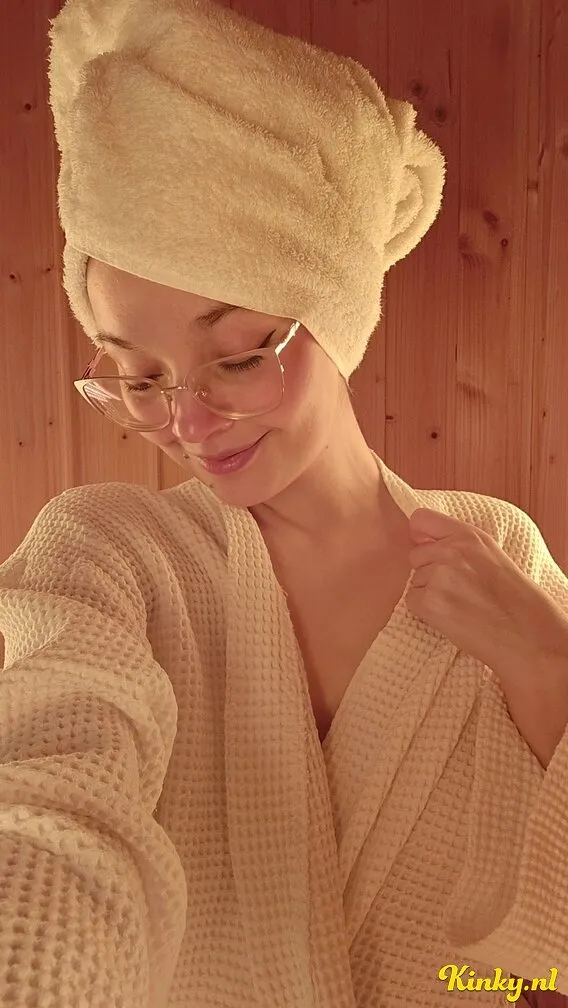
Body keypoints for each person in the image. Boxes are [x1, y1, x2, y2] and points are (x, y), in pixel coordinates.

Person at [1, 1, 568, 1006]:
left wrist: (550, 666)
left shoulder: (498, 549)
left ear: (335, 314)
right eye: (138, 376)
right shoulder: (106, 552)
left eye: (235, 357)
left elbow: (546, 962)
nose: (187, 420)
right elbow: (48, 784)